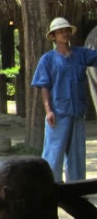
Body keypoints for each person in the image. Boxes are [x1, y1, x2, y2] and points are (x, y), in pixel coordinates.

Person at [31, 17, 97, 182]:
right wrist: (48, 111)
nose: (65, 34)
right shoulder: (48, 59)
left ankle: (76, 187)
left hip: (77, 112)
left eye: (67, 30)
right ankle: (49, 185)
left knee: (77, 153)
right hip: (58, 113)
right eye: (60, 31)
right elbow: (44, 87)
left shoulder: (81, 54)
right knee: (54, 151)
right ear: (53, 36)